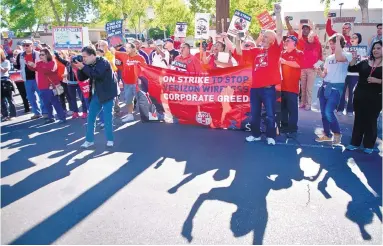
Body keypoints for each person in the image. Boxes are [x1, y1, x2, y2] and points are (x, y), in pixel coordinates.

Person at [237, 3, 283, 146]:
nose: (262, 37)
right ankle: (256, 135)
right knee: (254, 115)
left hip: (268, 89)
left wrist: (278, 13)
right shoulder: (257, 51)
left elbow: (280, 32)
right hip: (255, 89)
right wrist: (238, 38)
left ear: (272, 40)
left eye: (266, 36)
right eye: (262, 36)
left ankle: (270, 137)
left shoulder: (275, 50)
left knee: (270, 115)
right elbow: (240, 52)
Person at [74, 46, 118, 148]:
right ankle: (89, 140)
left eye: (85, 57)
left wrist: (83, 67)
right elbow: (82, 78)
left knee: (108, 118)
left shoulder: (103, 62)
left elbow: (97, 75)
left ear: (93, 55)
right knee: (91, 117)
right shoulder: (88, 64)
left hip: (107, 94)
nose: (83, 59)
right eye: (82, 57)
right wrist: (80, 68)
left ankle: (110, 140)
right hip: (96, 94)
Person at [315, 34, 352, 145]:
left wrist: (338, 40)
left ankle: (337, 133)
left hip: (336, 88)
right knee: (323, 113)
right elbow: (324, 74)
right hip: (325, 86)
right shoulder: (328, 58)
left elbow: (339, 58)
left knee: (328, 111)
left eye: (334, 43)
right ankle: (327, 134)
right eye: (331, 44)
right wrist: (319, 72)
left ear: (340, 43)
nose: (332, 46)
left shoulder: (347, 54)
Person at [346, 41, 382, 154]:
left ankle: (369, 144)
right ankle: (354, 143)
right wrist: (353, 58)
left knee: (371, 121)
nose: (375, 50)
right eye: (374, 48)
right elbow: (351, 69)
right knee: (359, 120)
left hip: (375, 97)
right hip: (360, 96)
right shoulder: (365, 62)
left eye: (378, 48)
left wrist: (379, 81)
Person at [286, 19, 323, 110]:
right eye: (304, 29)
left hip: (312, 69)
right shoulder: (303, 42)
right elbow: (297, 35)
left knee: (309, 88)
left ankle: (308, 104)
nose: (310, 38)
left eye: (311, 36)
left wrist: (317, 67)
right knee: (302, 87)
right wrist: (299, 26)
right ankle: (302, 103)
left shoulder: (317, 44)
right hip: (302, 69)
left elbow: (321, 58)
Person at [27, 48, 66, 124]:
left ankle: (62, 117)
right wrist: (29, 64)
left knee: (55, 102)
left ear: (48, 55)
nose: (40, 56)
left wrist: (35, 66)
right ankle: (51, 117)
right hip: (42, 87)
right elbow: (33, 68)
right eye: (40, 54)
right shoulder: (39, 63)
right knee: (46, 103)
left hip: (50, 86)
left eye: (42, 54)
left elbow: (48, 70)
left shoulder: (52, 62)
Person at [13, 39, 46, 119]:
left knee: (41, 95)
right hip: (27, 79)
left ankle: (45, 112)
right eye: (23, 45)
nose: (25, 47)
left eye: (27, 45)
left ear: (32, 46)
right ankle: (37, 113)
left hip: (38, 78)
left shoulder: (38, 54)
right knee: (31, 97)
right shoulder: (20, 55)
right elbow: (18, 66)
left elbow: (45, 63)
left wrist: (35, 65)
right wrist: (14, 64)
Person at [114, 43, 146, 122]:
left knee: (141, 100)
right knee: (128, 100)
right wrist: (118, 64)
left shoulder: (140, 58)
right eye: (126, 48)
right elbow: (113, 52)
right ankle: (130, 115)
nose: (126, 49)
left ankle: (146, 115)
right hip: (127, 83)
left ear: (133, 49)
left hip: (137, 83)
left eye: (128, 48)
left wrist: (141, 79)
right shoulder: (124, 55)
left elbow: (144, 69)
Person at [280, 35, 303, 137]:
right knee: (283, 108)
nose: (286, 42)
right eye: (285, 40)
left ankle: (293, 127)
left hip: (292, 87)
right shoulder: (282, 53)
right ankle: (284, 126)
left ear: (294, 43)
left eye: (288, 41)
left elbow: (299, 64)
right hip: (281, 86)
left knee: (292, 109)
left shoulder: (299, 53)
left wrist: (285, 62)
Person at [55, 50, 88, 119]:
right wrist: (56, 53)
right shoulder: (67, 63)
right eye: (70, 56)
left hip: (79, 84)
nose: (71, 58)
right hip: (70, 84)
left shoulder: (80, 65)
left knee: (82, 98)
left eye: (73, 56)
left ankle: (85, 112)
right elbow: (60, 59)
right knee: (72, 99)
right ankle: (75, 112)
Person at [337, 33, 362, 116]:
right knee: (342, 92)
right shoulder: (345, 48)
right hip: (344, 73)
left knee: (352, 93)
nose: (353, 39)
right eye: (352, 37)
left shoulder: (362, 49)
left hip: (355, 74)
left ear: (359, 39)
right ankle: (340, 109)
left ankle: (350, 110)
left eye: (355, 37)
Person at [11, 49, 30, 113]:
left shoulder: (23, 60)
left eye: (17, 54)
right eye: (14, 54)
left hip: (25, 79)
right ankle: (26, 108)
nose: (15, 56)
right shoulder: (13, 62)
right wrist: (14, 63)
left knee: (29, 93)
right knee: (23, 94)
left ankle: (31, 106)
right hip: (17, 80)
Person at [1, 48, 16, 120]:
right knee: (1, 100)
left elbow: (4, 71)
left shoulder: (6, 62)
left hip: (5, 81)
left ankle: (12, 115)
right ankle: (5, 115)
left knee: (10, 99)